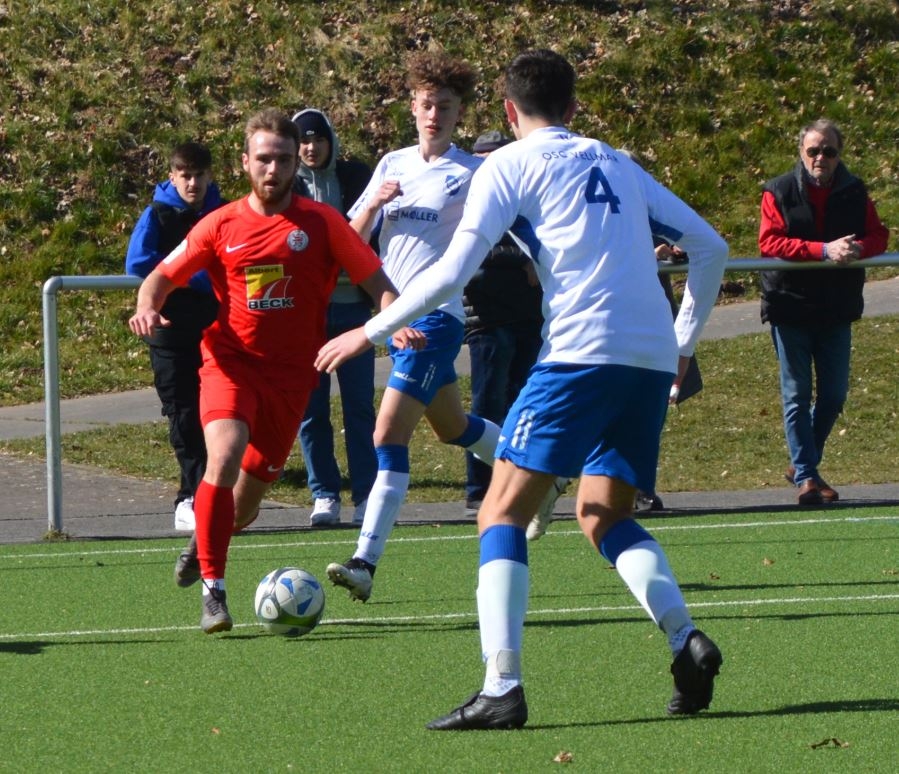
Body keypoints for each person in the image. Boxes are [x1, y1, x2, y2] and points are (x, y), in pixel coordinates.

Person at [315, 49, 729, 729]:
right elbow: (711, 247)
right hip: (649, 358)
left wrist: (370, 331)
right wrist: (682, 345)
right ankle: (684, 638)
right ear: (573, 108)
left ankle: (501, 687)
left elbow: (451, 275)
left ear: (508, 112)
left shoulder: (506, 164)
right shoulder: (618, 161)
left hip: (578, 355)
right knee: (602, 515)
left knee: (500, 515)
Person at [128, 108, 416, 634]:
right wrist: (148, 306)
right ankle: (214, 591)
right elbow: (161, 276)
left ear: (294, 165)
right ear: (245, 162)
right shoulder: (220, 224)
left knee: (243, 509)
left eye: (283, 159)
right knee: (224, 454)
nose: (273, 169)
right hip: (230, 363)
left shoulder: (322, 223)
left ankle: (203, 541)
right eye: (264, 158)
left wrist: (392, 323)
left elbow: (377, 282)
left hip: (292, 378)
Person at [324, 51, 502, 603]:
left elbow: (500, 231)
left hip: (435, 320)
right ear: (412, 107)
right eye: (427, 105)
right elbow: (349, 240)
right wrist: (374, 203)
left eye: (444, 107)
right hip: (392, 315)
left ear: (459, 112)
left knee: (386, 436)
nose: (434, 115)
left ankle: (365, 561)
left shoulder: (473, 173)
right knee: (453, 428)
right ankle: (539, 468)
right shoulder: (392, 163)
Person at [759, 118, 888, 506]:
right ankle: (806, 477)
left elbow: (879, 235)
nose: (821, 158)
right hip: (789, 305)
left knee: (833, 396)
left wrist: (859, 249)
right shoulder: (778, 190)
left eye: (829, 151)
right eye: (813, 150)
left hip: (836, 308)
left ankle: (803, 465)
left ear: (839, 155)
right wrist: (823, 251)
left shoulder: (854, 190)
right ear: (801, 152)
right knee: (796, 394)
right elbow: (770, 242)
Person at [125, 141, 225, 531]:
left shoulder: (223, 212)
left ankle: (207, 494)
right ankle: (192, 496)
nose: (193, 183)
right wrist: (192, 277)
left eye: (199, 175)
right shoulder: (158, 214)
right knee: (183, 413)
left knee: (217, 413)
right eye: (185, 176)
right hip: (169, 330)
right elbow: (137, 261)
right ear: (172, 176)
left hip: (218, 329)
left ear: (210, 176)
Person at [290, 108, 378, 527]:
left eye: (318, 139)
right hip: (307, 315)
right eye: (303, 141)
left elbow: (369, 235)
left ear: (331, 141)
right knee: (312, 411)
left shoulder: (355, 176)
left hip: (354, 309)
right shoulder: (287, 185)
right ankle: (324, 493)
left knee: (359, 407)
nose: (311, 148)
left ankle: (366, 494)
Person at [462, 129, 545, 518]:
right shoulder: (469, 198)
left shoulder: (525, 197)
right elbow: (474, 251)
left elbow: (544, 243)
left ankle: (520, 486)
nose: (489, 165)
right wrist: (522, 260)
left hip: (529, 314)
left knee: (525, 403)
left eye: (496, 157)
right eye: (482, 158)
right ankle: (479, 489)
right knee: (487, 404)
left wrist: (531, 259)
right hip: (486, 317)